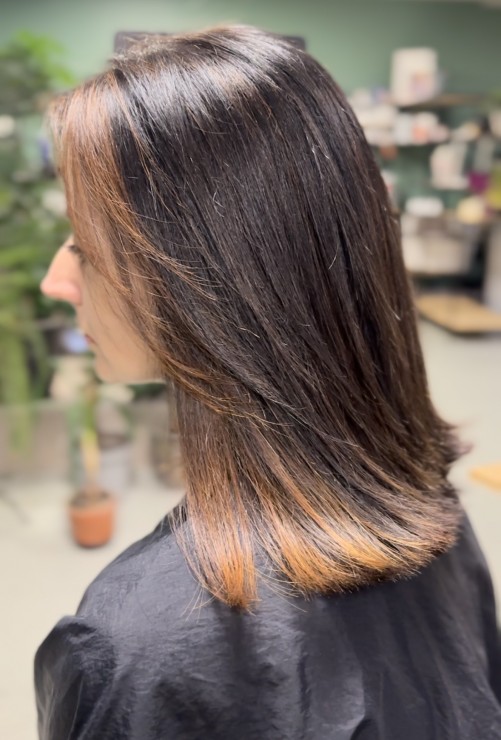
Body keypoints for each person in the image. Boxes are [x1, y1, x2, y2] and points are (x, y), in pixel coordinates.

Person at [35, 24, 501, 740]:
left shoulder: (138, 651)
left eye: (84, 246)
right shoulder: (434, 512)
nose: (55, 280)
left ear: (209, 275)